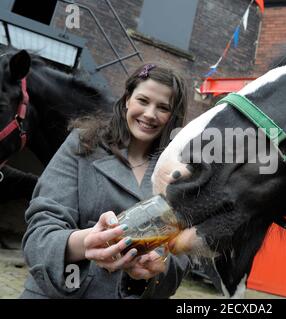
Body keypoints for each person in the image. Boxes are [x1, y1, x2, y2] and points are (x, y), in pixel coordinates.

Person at [20, 63, 190, 298]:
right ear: (128, 99)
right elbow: (39, 235)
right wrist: (85, 243)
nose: (150, 114)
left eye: (163, 107)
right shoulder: (82, 145)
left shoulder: (181, 175)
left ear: (174, 116)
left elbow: (180, 261)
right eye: (143, 100)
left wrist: (151, 271)